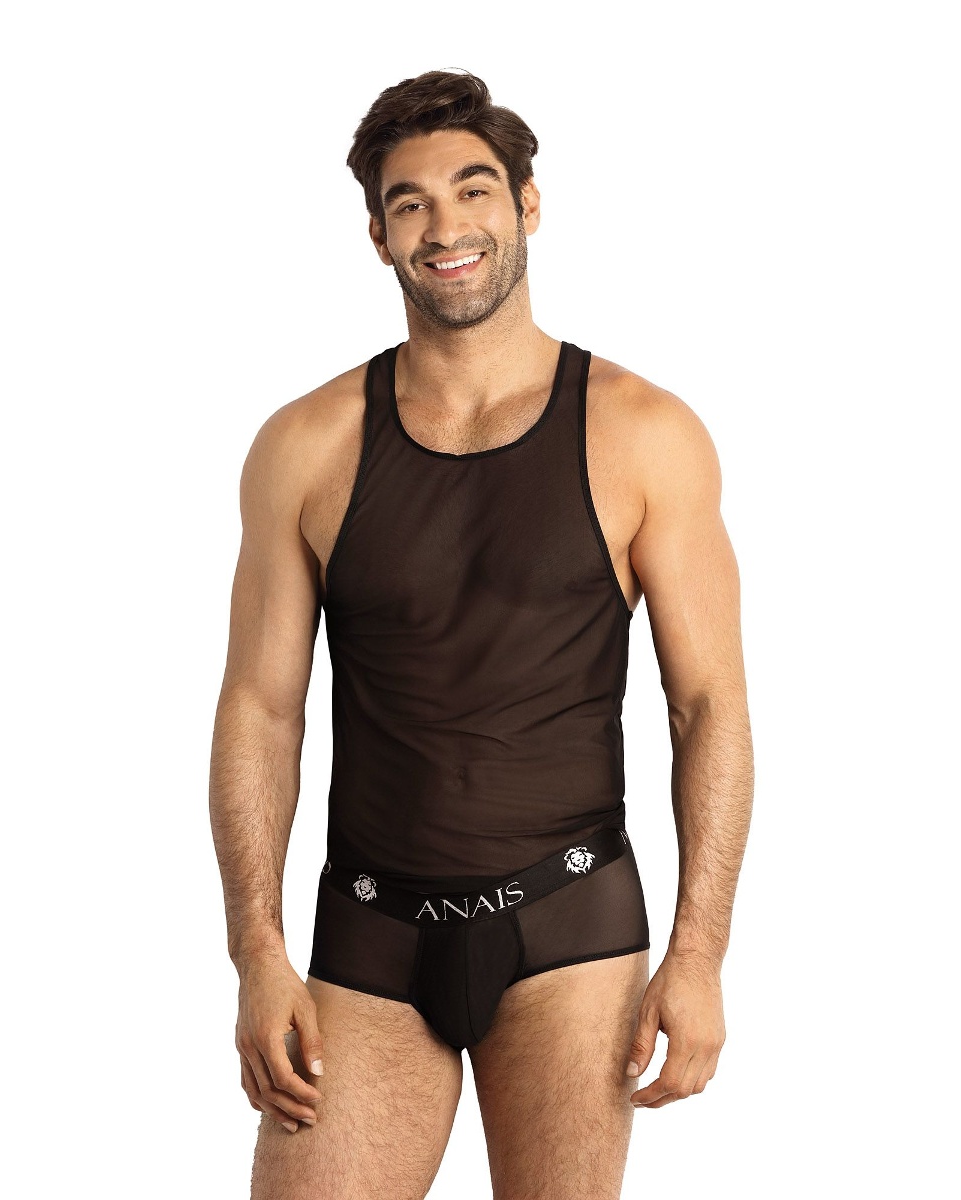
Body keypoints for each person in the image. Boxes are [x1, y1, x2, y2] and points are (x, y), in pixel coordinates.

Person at [209, 69, 753, 1200]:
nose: (445, 228)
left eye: (473, 190)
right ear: (378, 236)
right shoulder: (303, 447)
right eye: (409, 204)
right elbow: (261, 708)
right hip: (368, 933)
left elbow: (708, 706)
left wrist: (699, 955)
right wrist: (257, 953)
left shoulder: (644, 433)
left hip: (571, 929)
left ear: (527, 205)